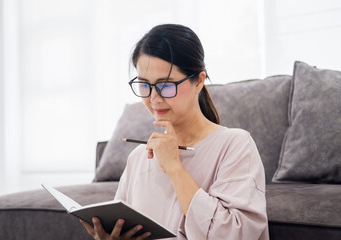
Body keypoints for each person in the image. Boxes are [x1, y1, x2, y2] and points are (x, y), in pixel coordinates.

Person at [81, 24, 269, 240]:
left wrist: (174, 167)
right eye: (144, 85)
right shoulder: (138, 158)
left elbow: (234, 235)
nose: (154, 98)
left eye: (166, 85)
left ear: (198, 81)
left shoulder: (235, 145)